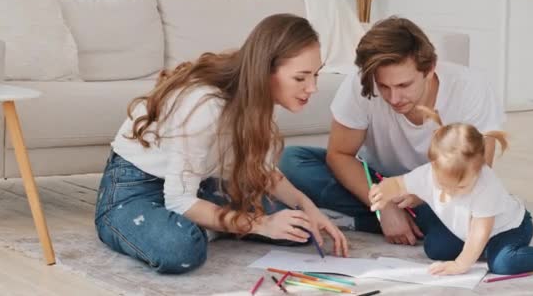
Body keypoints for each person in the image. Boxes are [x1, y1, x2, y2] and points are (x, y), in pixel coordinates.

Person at [94, 14, 348, 274]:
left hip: (199, 184)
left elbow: (263, 171)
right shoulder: (204, 104)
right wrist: (260, 224)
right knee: (181, 248)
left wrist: (308, 207)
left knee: (298, 228)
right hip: (137, 186)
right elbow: (179, 200)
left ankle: (208, 222)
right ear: (265, 70)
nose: (313, 88)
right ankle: (133, 223)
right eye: (301, 78)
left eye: (316, 75)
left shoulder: (261, 97)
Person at [279, 16, 506, 248]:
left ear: (429, 69)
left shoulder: (471, 88)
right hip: (377, 182)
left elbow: (478, 170)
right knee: (292, 160)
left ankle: (361, 219)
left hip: (438, 191)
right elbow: (339, 155)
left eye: (404, 86)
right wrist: (384, 206)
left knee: (448, 241)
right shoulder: (362, 84)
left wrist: (421, 193)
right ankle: (398, 220)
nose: (394, 99)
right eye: (384, 87)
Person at [369, 106, 533, 275]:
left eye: (462, 186)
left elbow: (480, 233)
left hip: (507, 229)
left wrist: (461, 264)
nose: (453, 191)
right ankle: (476, 251)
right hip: (464, 227)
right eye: (445, 184)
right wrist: (383, 193)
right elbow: (397, 183)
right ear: (433, 166)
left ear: (479, 168)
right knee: (435, 248)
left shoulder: (487, 186)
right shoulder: (427, 174)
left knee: (503, 263)